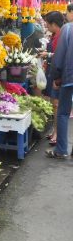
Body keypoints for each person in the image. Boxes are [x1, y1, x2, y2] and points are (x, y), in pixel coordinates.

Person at [46, 17, 73, 158]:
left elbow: (59, 56)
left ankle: (61, 150)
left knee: (63, 113)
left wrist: (56, 77)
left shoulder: (67, 28)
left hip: (69, 77)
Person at [40, 12, 65, 145]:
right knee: (53, 104)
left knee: (56, 105)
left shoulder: (61, 36)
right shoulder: (56, 35)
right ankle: (55, 131)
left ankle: (57, 133)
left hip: (57, 74)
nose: (46, 26)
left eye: (47, 24)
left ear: (54, 24)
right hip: (51, 70)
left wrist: (48, 54)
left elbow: (61, 56)